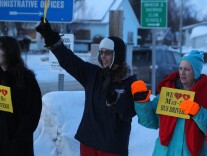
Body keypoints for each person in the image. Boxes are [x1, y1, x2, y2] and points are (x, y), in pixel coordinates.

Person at [35, 17, 137, 156]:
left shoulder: (130, 82)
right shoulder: (93, 74)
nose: (103, 56)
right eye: (101, 52)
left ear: (117, 55)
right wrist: (51, 37)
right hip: (88, 142)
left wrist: (115, 100)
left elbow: (128, 113)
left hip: (113, 147)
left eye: (108, 53)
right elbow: (68, 60)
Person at [131, 50, 207, 156]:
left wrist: (198, 113)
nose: (182, 72)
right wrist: (142, 101)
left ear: (196, 72)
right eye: (180, 68)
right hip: (164, 152)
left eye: (187, 69)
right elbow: (150, 121)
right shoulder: (169, 91)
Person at [0, 36, 42, 156]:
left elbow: (32, 114)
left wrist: (17, 142)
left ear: (9, 52)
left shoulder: (26, 79)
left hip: (18, 146)